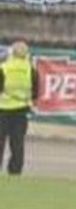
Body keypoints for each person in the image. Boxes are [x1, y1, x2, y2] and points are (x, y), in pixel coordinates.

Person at [0, 40, 37, 176]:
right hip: (21, 111)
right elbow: (35, 92)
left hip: (2, 109)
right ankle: (15, 172)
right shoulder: (30, 70)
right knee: (17, 144)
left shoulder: (4, 68)